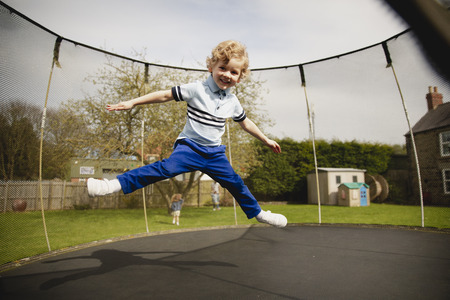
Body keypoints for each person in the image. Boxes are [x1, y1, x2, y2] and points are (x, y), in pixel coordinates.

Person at [87, 40, 287, 228]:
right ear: (211, 67)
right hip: (190, 148)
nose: (227, 74)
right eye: (222, 68)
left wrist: (266, 139)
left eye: (233, 72)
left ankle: (259, 213)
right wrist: (133, 102)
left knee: (235, 183)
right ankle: (110, 185)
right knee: (163, 170)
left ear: (240, 76)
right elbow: (165, 95)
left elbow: (245, 123)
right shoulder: (196, 89)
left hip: (215, 154)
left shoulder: (232, 102)